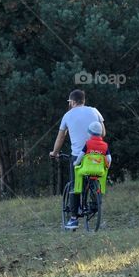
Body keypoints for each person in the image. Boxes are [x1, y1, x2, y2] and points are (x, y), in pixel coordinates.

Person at [50, 89, 106, 229]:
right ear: (83, 101)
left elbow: (61, 137)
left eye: (69, 102)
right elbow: (103, 132)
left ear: (73, 102)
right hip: (97, 154)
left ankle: (74, 218)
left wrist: (54, 152)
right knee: (95, 177)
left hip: (78, 155)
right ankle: (95, 201)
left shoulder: (67, 116)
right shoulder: (95, 111)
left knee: (76, 185)